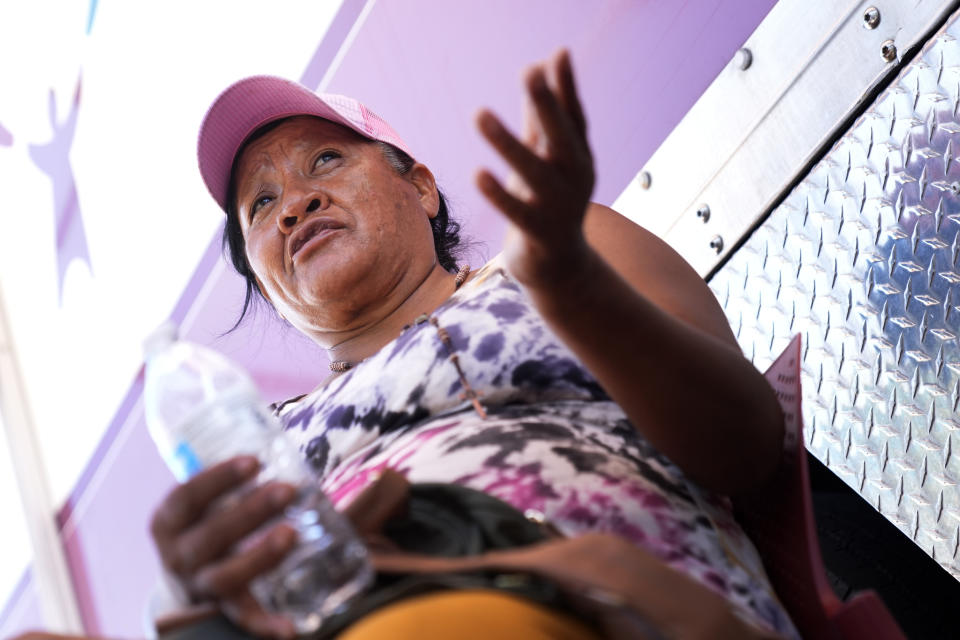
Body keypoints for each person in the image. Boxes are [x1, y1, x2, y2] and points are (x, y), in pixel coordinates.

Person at [149, 50, 798, 639]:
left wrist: (569, 284)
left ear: (422, 186)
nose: (293, 204)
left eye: (325, 159)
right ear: (266, 282)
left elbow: (748, 447)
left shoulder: (548, 263)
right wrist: (194, 597)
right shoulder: (262, 442)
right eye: (261, 205)